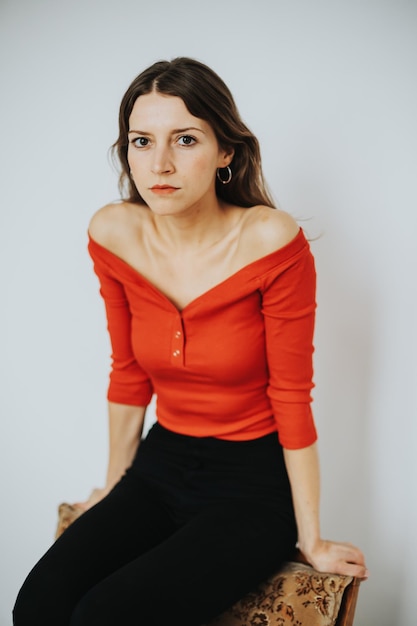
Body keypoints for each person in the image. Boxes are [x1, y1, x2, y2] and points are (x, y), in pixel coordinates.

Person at [13, 57, 367, 626]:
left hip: (251, 486)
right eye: (141, 141)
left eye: (185, 139)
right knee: (39, 605)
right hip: (160, 465)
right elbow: (128, 374)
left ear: (225, 151)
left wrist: (313, 538)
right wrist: (110, 487)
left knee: (105, 616)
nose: (160, 164)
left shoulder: (269, 240)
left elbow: (292, 395)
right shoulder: (114, 233)